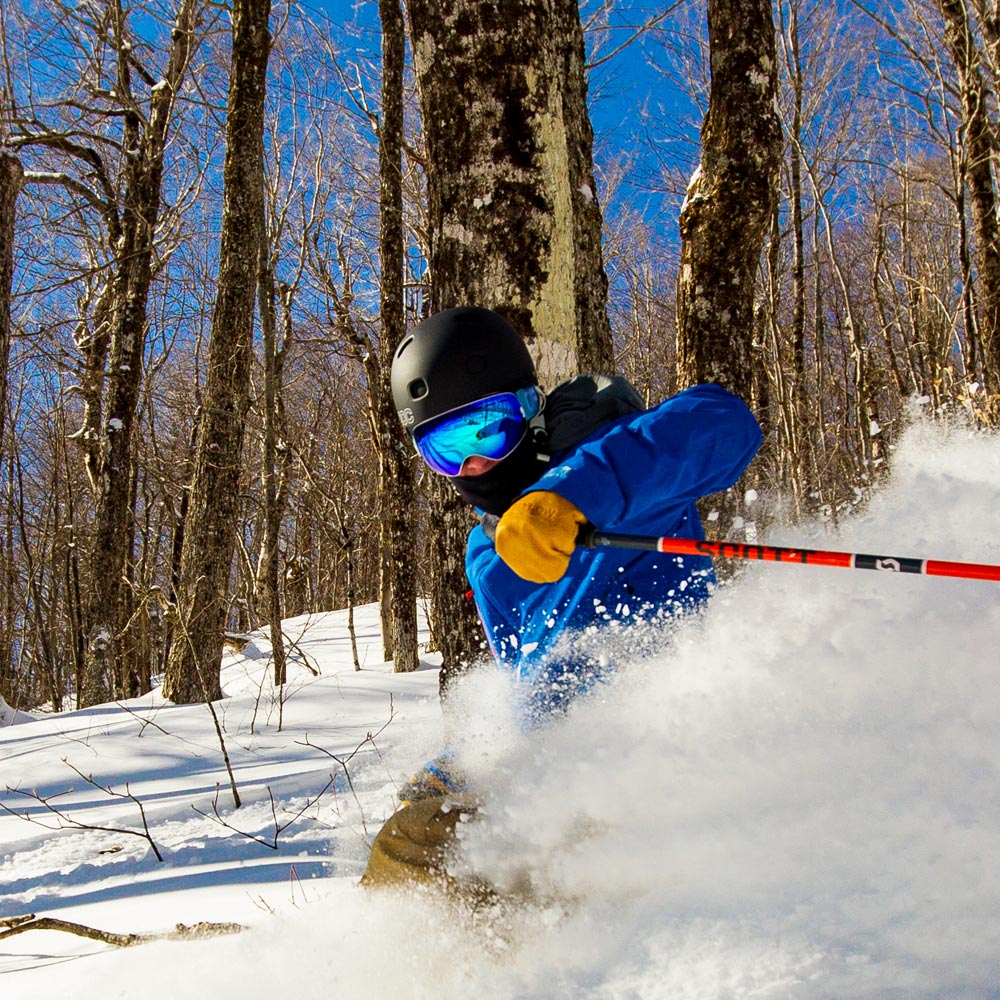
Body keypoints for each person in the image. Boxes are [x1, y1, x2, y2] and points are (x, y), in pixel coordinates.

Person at [360, 305, 762, 890]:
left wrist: (576, 495)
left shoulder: (612, 458)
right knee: (421, 833)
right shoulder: (487, 556)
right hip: (566, 779)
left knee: (424, 849)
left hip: (675, 753)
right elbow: (531, 686)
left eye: (488, 430)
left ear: (529, 407)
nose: (475, 463)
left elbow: (724, 423)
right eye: (446, 450)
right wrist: (471, 761)